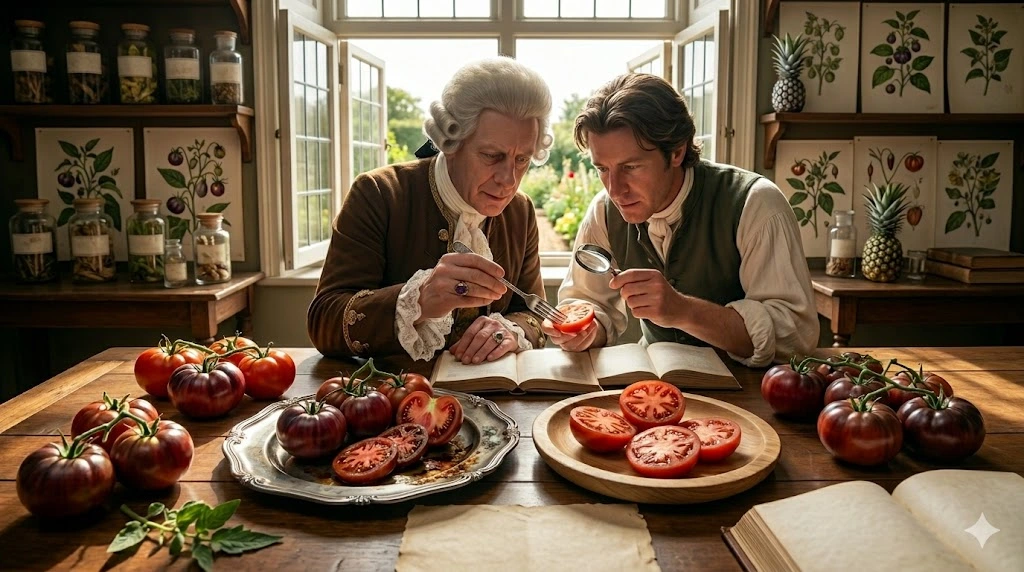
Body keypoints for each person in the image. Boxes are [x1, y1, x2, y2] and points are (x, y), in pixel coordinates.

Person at [542, 73, 818, 367]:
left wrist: (684, 310)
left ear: (677, 151)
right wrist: (586, 330)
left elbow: (796, 337)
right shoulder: (604, 211)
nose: (615, 189)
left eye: (631, 167)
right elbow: (588, 303)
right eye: (603, 169)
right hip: (655, 395)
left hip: (752, 394)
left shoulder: (757, 203)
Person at [307, 57, 554, 366]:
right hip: (392, 398)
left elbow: (533, 311)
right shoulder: (379, 193)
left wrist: (508, 328)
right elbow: (324, 322)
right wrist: (418, 301)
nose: (509, 179)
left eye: (522, 160)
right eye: (492, 155)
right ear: (449, 141)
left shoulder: (521, 211)